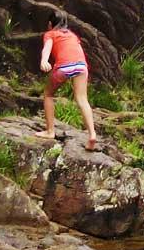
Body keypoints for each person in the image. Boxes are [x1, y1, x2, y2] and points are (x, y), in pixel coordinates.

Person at [37, 13, 99, 150]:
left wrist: (44, 60)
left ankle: (50, 131)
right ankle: (92, 134)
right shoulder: (72, 35)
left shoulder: (50, 34)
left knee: (48, 94)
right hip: (81, 65)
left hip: (64, 66)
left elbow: (47, 47)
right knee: (83, 99)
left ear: (49, 24)